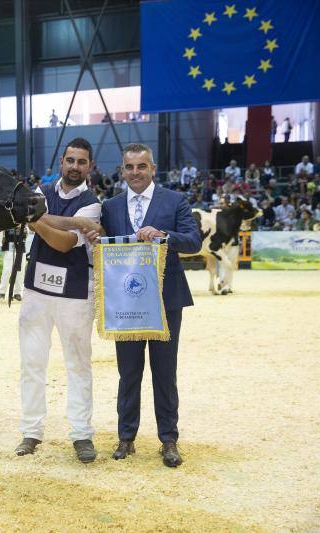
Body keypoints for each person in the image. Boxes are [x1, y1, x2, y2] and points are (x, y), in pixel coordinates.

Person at [85, 143, 201, 468]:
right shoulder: (110, 206)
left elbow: (194, 242)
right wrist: (98, 241)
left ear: (153, 169)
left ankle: (169, 439)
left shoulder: (175, 201)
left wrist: (164, 235)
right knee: (129, 372)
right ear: (122, 170)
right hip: (126, 304)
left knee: (165, 372)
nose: (135, 172)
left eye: (141, 166)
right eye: (129, 167)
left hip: (166, 301)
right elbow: (105, 245)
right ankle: (126, 437)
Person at [14, 137, 102, 464]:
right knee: (32, 362)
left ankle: (81, 434)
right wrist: (77, 222)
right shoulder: (42, 191)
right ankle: (31, 431)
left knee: (78, 364)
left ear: (89, 167)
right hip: (37, 290)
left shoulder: (93, 203)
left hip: (76, 294)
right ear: (61, 162)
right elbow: (34, 215)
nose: (75, 167)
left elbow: (63, 243)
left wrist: (36, 219)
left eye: (82, 162)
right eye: (70, 160)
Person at [0, 224, 27, 301]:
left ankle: (17, 293)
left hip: (21, 249)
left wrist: (22, 228)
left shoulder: (24, 223)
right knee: (7, 271)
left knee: (20, 271)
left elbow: (26, 234)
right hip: (9, 248)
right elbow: (2, 236)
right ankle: (2, 292)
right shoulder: (9, 221)